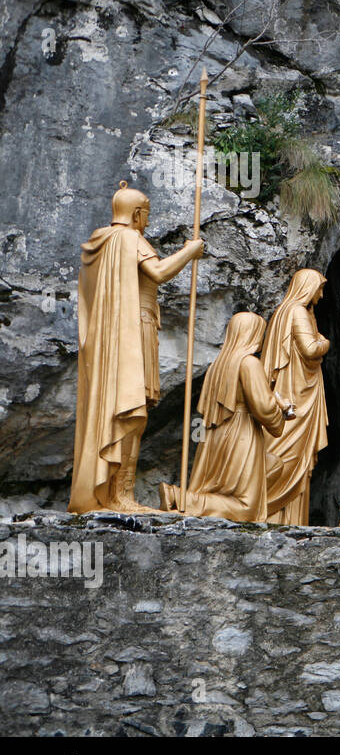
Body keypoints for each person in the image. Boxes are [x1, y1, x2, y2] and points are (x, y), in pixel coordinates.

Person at [70, 182, 203, 513]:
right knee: (132, 412)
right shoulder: (129, 238)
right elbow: (157, 273)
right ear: (137, 213)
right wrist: (190, 251)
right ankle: (120, 497)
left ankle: (113, 493)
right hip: (134, 329)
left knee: (124, 410)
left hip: (110, 336)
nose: (147, 221)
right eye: (146, 215)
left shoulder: (100, 243)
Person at [159, 313, 293, 521]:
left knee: (269, 467)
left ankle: (188, 499)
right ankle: (180, 499)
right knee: (246, 507)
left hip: (215, 435)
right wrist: (282, 410)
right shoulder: (249, 363)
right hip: (241, 431)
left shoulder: (217, 365)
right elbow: (263, 408)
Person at [262, 268, 330, 525]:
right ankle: (270, 511)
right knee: (288, 453)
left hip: (300, 389)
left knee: (296, 457)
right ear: (308, 288)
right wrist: (325, 342)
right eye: (319, 288)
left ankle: (289, 518)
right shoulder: (297, 312)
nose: (322, 295)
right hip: (297, 397)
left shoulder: (289, 312)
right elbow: (311, 349)